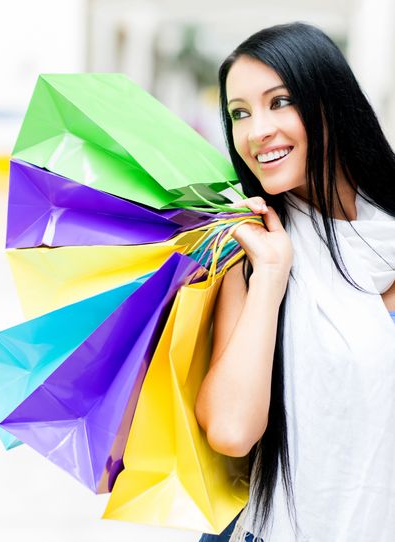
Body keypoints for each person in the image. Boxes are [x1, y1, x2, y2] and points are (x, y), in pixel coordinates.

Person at [195, 22, 395, 542]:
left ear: (330, 102)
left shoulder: (386, 236)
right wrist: (272, 276)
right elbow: (232, 432)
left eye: (279, 101)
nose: (256, 130)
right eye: (239, 113)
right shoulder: (247, 252)